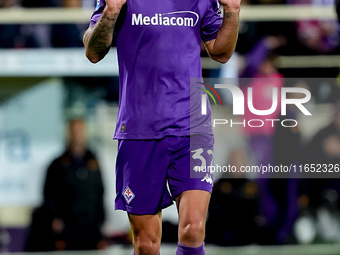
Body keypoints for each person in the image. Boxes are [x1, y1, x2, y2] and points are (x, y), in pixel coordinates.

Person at [83, 0, 240, 254]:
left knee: (193, 229)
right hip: (139, 131)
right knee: (146, 244)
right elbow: (93, 51)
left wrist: (232, 12)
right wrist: (111, 12)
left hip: (192, 127)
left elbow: (220, 52)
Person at [25, 118, 107, 251]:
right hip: (68, 229)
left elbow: (101, 191)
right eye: (75, 131)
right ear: (69, 134)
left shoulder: (94, 163)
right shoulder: (57, 164)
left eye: (81, 131)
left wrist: (102, 219)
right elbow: (49, 195)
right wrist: (55, 219)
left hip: (90, 229)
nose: (78, 135)